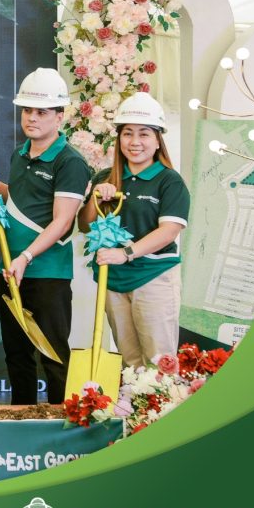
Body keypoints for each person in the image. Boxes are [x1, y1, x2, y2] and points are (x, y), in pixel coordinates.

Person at [0, 67, 91, 405]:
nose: (32, 118)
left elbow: (62, 221)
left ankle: (59, 427)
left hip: (47, 276)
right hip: (10, 272)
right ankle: (21, 423)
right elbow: (20, 201)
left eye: (41, 112)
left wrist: (25, 257)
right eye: (27, 110)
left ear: (59, 116)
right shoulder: (20, 153)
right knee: (17, 355)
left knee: (53, 356)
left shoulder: (70, 162)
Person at [78, 92, 189, 369]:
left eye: (144, 134)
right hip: (114, 281)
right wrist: (96, 199)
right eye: (127, 133)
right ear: (119, 138)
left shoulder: (169, 181)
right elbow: (84, 225)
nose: (135, 142)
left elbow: (168, 231)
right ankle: (134, 413)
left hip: (154, 277)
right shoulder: (105, 177)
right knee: (130, 364)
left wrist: (125, 253)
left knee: (159, 363)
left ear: (157, 140)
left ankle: (164, 413)